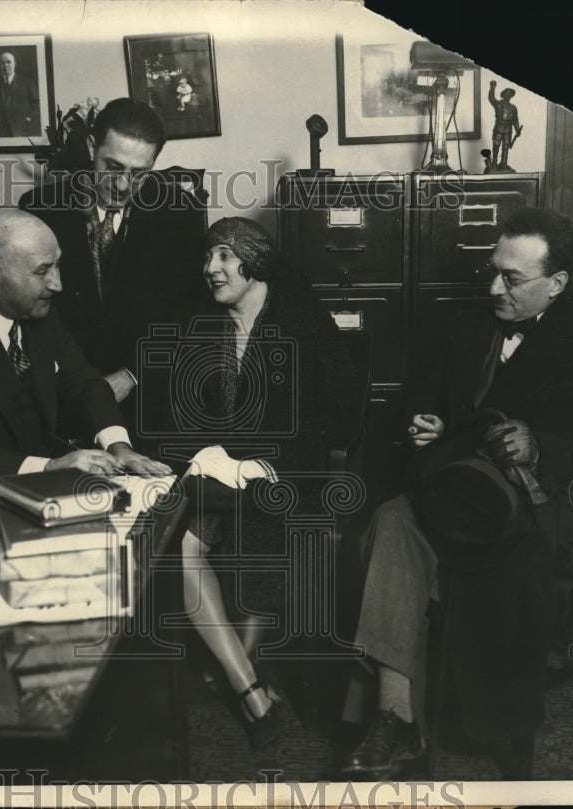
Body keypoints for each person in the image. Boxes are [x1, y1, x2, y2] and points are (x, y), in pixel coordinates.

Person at [336, 208, 573, 779]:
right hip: (455, 488)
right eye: (493, 271)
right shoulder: (467, 328)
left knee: (506, 561)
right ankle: (395, 717)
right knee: (392, 523)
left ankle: (499, 719)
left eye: (513, 279)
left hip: (544, 506)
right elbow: (419, 401)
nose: (494, 287)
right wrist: (424, 423)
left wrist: (542, 445)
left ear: (557, 284)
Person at [176, 217, 363, 748]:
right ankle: (250, 686)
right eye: (208, 257)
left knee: (264, 518)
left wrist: (270, 465)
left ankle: (238, 673)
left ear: (254, 262)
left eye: (223, 257)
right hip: (221, 475)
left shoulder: (303, 321)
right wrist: (208, 454)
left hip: (290, 473)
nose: (210, 269)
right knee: (177, 539)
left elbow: (339, 416)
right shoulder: (206, 326)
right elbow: (187, 413)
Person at [0, 207, 170, 521]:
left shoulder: (38, 310)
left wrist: (118, 445)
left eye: (58, 266)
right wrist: (49, 468)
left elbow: (83, 382)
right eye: (42, 271)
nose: (58, 284)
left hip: (32, 492)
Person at [18, 98, 206, 420]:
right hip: (61, 399)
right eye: (114, 167)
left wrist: (132, 374)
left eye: (139, 174)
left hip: (148, 398)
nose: (122, 185)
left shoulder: (181, 212)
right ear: (92, 147)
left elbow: (191, 312)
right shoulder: (39, 209)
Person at [0, 51, 41, 138]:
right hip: (0, 131)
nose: (5, 65)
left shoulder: (26, 82)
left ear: (14, 64)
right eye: (2, 62)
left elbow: (36, 102)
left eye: (8, 62)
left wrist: (30, 117)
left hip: (21, 129)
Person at [489, 81, 523, 170]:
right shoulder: (498, 104)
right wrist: (492, 87)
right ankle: (494, 163)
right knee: (496, 145)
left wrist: (517, 130)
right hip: (499, 127)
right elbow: (491, 98)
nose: (508, 95)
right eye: (507, 93)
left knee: (506, 146)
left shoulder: (513, 107)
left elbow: (515, 119)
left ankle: (504, 163)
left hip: (508, 129)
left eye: (510, 94)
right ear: (503, 95)